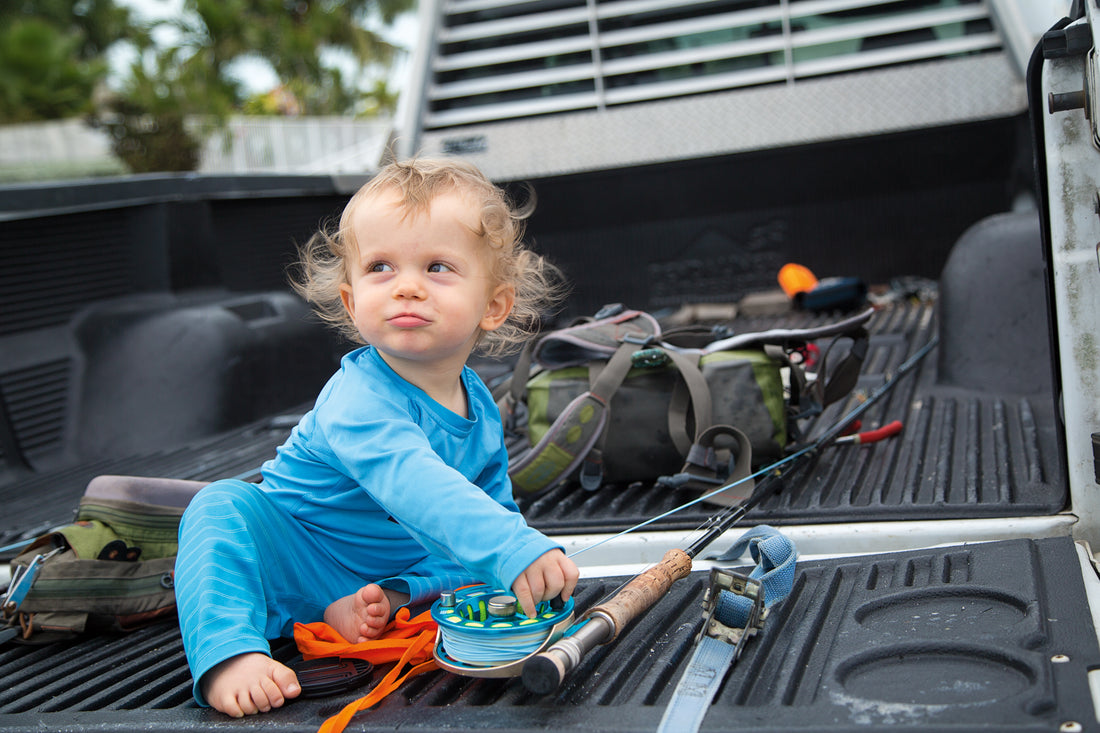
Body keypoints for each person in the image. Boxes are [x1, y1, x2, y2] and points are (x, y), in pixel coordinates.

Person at [174, 157, 578, 718]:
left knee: (474, 553)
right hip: (299, 551)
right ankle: (228, 654)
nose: (407, 287)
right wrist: (513, 548)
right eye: (381, 267)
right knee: (219, 506)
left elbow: (490, 512)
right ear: (350, 301)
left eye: (437, 267)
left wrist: (516, 570)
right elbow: (413, 481)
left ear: (494, 305)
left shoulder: (479, 404)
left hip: (396, 574)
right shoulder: (357, 396)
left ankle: (374, 604)